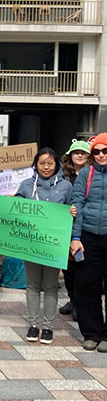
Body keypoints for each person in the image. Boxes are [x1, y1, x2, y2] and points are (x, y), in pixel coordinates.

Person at [0, 148, 72, 344]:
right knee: (32, 285)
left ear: (56, 164)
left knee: (50, 286)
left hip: (52, 246)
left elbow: (71, 210)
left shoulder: (66, 187)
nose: (46, 167)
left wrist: (72, 212)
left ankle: (48, 327)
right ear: (35, 165)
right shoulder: (26, 185)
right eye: (42, 163)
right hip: (30, 244)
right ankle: (33, 325)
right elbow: (14, 208)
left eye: (50, 163)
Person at [70, 133, 107, 352]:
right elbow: (77, 206)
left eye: (105, 150)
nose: (101, 155)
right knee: (86, 285)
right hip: (89, 236)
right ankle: (92, 333)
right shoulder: (86, 173)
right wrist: (75, 238)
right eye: (97, 151)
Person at [60, 139, 90, 320]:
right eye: (76, 152)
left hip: (86, 227)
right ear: (70, 155)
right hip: (64, 227)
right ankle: (72, 299)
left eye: (83, 152)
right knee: (68, 268)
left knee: (83, 267)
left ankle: (81, 303)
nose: (79, 155)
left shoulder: (94, 174)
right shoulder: (61, 175)